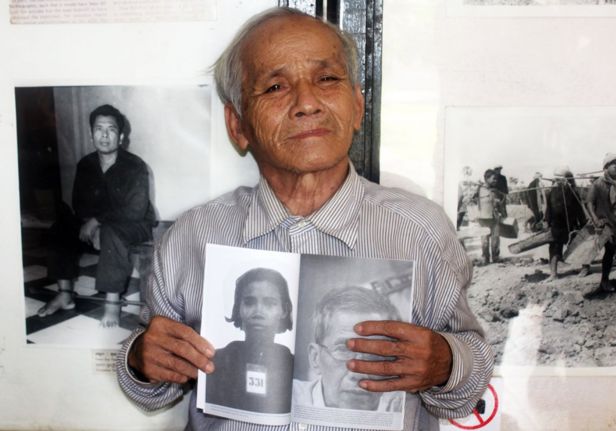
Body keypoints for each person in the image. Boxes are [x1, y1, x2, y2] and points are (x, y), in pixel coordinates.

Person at [116, 7, 493, 431]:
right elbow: (152, 391)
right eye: (275, 86)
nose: (307, 102)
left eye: (327, 79)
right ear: (238, 125)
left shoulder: (421, 229)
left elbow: (469, 383)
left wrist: (445, 362)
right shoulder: (191, 236)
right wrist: (140, 360)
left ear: (356, 105)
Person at [39, 104, 155, 327]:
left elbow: (136, 210)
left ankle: (112, 302)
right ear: (91, 135)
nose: (104, 134)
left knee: (111, 231)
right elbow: (79, 204)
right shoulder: (86, 164)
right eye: (98, 129)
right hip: (99, 224)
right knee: (61, 227)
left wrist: (99, 221)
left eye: (110, 129)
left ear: (120, 137)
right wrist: (89, 223)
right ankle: (64, 294)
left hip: (136, 224)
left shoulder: (135, 166)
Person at [292, 286, 403, 412]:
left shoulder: (404, 407)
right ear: (315, 358)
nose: (359, 375)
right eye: (344, 350)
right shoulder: (287, 398)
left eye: (374, 354)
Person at [204, 268, 294, 413]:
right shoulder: (217, 362)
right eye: (249, 302)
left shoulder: (293, 365)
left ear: (284, 310)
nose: (258, 312)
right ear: (238, 307)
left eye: (269, 303)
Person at [585, 153, 616, 294]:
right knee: (609, 251)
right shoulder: (598, 184)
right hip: (606, 223)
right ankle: (604, 281)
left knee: (615, 250)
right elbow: (589, 202)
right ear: (606, 167)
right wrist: (595, 219)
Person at [543, 167, 586, 282]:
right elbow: (549, 210)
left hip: (572, 225)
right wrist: (547, 222)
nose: (556, 182)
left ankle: (585, 268)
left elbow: (579, 210)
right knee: (554, 248)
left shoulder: (573, 192)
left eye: (559, 179)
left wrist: (582, 224)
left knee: (579, 247)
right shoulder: (550, 192)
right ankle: (553, 274)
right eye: (555, 179)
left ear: (566, 180)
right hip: (556, 225)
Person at [475, 169, 505, 264]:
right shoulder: (479, 189)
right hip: (483, 218)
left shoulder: (495, 190)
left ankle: (496, 257)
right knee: (484, 240)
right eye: (493, 179)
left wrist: (499, 203)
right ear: (486, 178)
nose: (495, 181)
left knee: (495, 238)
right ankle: (485, 258)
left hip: (494, 217)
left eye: (496, 179)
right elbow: (469, 199)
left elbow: (502, 198)